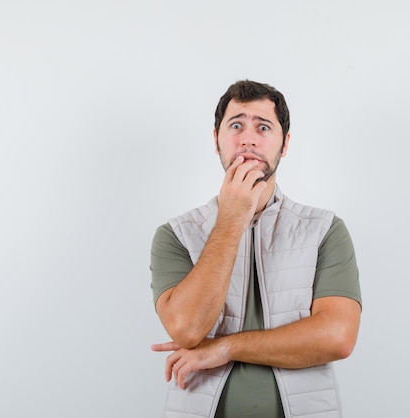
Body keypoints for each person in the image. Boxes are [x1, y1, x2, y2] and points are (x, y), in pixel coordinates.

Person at [149, 80, 362, 418]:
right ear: (216, 141)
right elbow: (187, 329)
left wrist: (223, 348)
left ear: (285, 144)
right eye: (236, 125)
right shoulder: (175, 235)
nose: (248, 138)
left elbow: (337, 337)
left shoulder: (325, 230)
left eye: (263, 127)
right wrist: (232, 218)